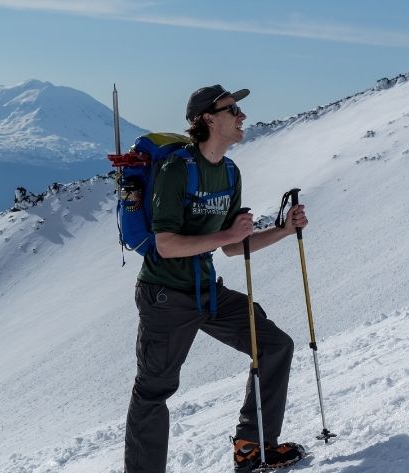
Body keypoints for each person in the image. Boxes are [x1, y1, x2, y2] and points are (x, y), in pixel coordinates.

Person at [125, 84, 310, 472]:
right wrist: (227, 235)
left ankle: (252, 448)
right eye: (232, 110)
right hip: (166, 296)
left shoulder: (228, 171)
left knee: (275, 346)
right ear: (208, 118)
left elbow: (231, 246)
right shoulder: (179, 170)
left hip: (207, 292)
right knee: (153, 392)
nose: (241, 116)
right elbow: (166, 244)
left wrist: (283, 230)